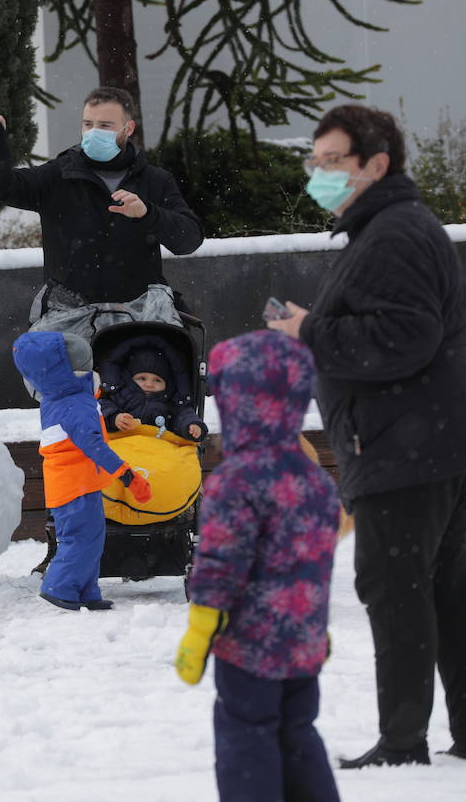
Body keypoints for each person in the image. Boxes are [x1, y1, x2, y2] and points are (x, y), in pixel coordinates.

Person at [267, 104, 466, 768]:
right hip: (428, 441)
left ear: (376, 165)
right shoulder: (391, 229)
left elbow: (406, 338)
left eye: (332, 163)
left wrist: (308, 331)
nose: (318, 175)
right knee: (444, 591)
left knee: (398, 592)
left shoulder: (393, 236)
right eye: (314, 161)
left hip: (405, 447)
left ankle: (403, 742)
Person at [176, 330, 342, 801]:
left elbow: (220, 563)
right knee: (298, 735)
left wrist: (201, 625)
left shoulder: (237, 479)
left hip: (249, 647)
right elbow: (316, 563)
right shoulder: (314, 478)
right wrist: (316, 625)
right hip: (302, 643)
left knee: (246, 738)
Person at [0, 86, 203, 310]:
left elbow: (189, 240)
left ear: (128, 129)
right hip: (68, 316)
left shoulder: (155, 181)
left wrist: (147, 213)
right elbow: (4, 187)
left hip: (138, 320)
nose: (93, 132)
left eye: (105, 125)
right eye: (88, 124)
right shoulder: (58, 175)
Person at [11, 330, 152, 610]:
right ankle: (59, 587)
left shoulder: (62, 396)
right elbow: (93, 446)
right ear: (65, 371)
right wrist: (126, 475)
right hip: (74, 486)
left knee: (92, 538)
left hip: (77, 484)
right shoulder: (75, 405)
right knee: (80, 539)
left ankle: (86, 590)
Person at [98, 337, 207, 441]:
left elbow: (183, 416)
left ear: (167, 384)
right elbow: (102, 407)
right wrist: (115, 418)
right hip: (124, 442)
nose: (149, 384)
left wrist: (191, 425)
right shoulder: (120, 395)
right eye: (142, 378)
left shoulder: (170, 402)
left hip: (158, 447)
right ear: (130, 380)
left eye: (157, 380)